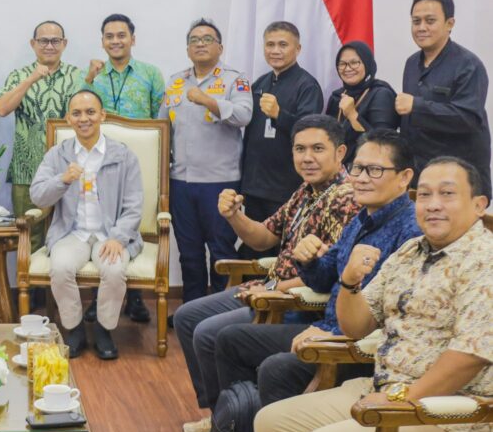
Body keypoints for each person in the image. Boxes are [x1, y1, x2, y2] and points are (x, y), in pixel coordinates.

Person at [200, 130, 422, 432]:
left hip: (355, 344)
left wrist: (335, 335)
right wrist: (308, 259)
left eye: (374, 170)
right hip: (326, 327)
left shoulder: (409, 231)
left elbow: (386, 314)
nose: (360, 178)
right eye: (358, 169)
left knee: (276, 368)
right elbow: (321, 279)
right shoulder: (362, 217)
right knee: (230, 339)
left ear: (404, 178)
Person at [255, 156, 493, 432]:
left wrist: (402, 399)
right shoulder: (410, 251)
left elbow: (469, 356)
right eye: (425, 195)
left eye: (447, 194)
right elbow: (356, 327)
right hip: (383, 388)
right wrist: (350, 282)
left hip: (450, 414)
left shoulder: (484, 259)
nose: (433, 204)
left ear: (479, 205)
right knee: (270, 423)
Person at [175, 114, 359, 432]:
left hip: (294, 301)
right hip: (269, 287)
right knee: (187, 317)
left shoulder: (346, 198)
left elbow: (327, 272)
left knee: (206, 332)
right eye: (300, 149)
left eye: (318, 148)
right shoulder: (306, 190)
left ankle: (230, 427)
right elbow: (263, 237)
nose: (307, 157)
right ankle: (224, 415)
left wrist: (271, 287)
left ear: (340, 152)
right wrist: (234, 216)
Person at [30, 90, 143, 360]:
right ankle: (75, 327)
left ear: (102, 115)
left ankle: (104, 329)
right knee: (59, 268)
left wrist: (118, 237)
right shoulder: (59, 154)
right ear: (68, 118)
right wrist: (63, 180)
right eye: (77, 113)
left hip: (111, 234)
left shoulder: (123, 155)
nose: (84, 119)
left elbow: (134, 204)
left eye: (90, 112)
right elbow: (37, 194)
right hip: (72, 233)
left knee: (114, 270)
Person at [158, 18, 252, 303]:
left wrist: (207, 100)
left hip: (220, 181)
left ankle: (222, 311)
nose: (200, 44)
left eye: (207, 39)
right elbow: (162, 130)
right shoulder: (175, 82)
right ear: (188, 49)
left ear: (220, 47)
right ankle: (192, 309)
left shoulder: (235, 80)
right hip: (182, 181)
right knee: (189, 250)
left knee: (221, 248)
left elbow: (243, 116)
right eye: (194, 40)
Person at [80, 13, 165, 323]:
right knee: (100, 222)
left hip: (139, 160)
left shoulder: (151, 74)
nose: (115, 41)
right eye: (109, 36)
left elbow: (161, 118)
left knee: (131, 220)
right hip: (97, 161)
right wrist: (88, 79)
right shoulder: (92, 76)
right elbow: (74, 110)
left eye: (121, 35)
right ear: (102, 40)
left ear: (133, 38)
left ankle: (136, 297)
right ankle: (98, 297)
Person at [0, 20, 85, 255]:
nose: (49, 46)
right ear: (33, 44)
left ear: (64, 44)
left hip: (68, 171)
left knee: (69, 236)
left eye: (55, 41)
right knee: (30, 236)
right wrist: (31, 79)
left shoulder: (78, 76)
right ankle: (30, 292)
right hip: (27, 169)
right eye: (43, 41)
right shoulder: (20, 75)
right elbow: (2, 109)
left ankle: (60, 292)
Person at [240, 21, 324, 259]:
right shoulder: (260, 83)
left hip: (286, 187)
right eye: (270, 45)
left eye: (282, 45)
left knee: (282, 252)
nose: (275, 50)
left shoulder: (307, 85)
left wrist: (280, 114)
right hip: (255, 186)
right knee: (253, 251)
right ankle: (248, 295)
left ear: (297, 49)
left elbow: (310, 135)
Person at [396, 0, 492, 197]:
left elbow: (468, 118)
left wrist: (417, 106)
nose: (421, 27)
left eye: (430, 21)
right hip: (421, 177)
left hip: (460, 179)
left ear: (450, 24)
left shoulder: (468, 65)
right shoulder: (412, 63)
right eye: (416, 21)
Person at [324, 41, 399, 166]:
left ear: (367, 63)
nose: (347, 68)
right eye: (342, 64)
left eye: (354, 63)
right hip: (337, 170)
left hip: (370, 170)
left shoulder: (381, 94)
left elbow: (384, 144)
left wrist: (353, 115)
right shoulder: (337, 96)